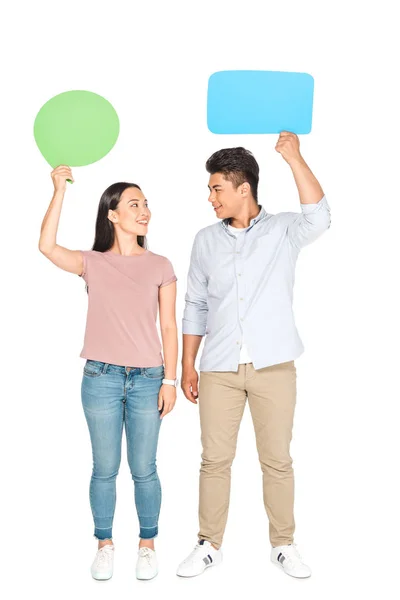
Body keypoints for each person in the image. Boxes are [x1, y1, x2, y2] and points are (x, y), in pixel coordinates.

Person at [177, 132, 331, 579]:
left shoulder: (285, 229)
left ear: (244, 188)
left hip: (275, 365)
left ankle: (283, 544)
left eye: (216, 188)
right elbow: (195, 304)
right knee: (213, 460)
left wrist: (294, 158)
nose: (210, 197)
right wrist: (188, 364)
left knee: (277, 459)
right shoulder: (204, 240)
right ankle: (208, 544)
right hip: (218, 368)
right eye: (209, 189)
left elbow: (319, 217)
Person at [39, 166, 178, 581]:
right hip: (100, 378)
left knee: (144, 467)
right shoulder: (91, 263)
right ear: (112, 215)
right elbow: (46, 246)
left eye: (146, 204)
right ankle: (104, 544)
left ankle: (148, 545)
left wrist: (169, 380)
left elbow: (168, 327)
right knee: (104, 467)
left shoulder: (160, 264)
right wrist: (58, 189)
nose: (145, 211)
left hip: (149, 378)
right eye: (134, 204)